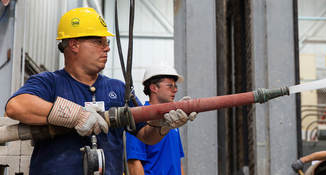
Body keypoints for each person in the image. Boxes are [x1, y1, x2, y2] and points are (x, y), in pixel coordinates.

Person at [5, 7, 195, 175]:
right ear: (74, 44)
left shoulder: (118, 88)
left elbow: (145, 135)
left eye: (107, 43)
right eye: (98, 42)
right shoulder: (50, 82)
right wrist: (76, 115)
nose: (107, 49)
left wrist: (162, 126)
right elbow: (16, 106)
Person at [126, 66, 195, 175]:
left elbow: (177, 162)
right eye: (170, 86)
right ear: (154, 88)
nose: (175, 89)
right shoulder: (140, 119)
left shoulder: (171, 119)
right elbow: (134, 163)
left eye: (175, 86)